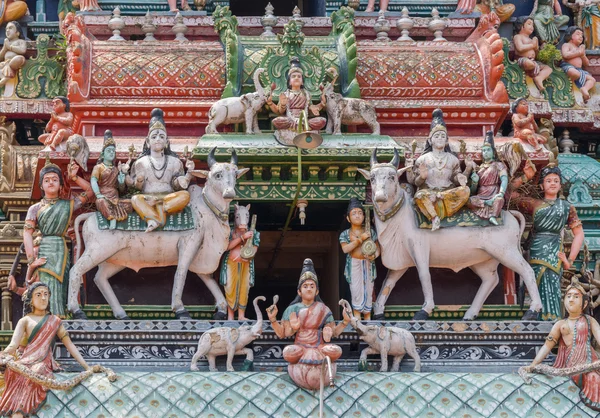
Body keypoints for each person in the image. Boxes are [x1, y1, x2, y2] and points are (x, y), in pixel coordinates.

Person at [0, 282, 91, 417]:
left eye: (46, 294)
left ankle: (21, 409)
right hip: (24, 361)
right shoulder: (25, 321)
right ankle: (13, 408)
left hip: (42, 362)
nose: (43, 298)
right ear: (31, 299)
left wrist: (87, 366)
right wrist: (3, 355)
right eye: (38, 295)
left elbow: (69, 345)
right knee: (15, 371)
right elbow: (13, 345)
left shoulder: (55, 321)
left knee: (37, 370)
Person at [512, 164, 585, 320]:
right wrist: (525, 177)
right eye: (548, 180)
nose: (552, 183)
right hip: (536, 250)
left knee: (553, 285)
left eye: (556, 181)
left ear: (560, 185)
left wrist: (569, 260)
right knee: (534, 282)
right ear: (541, 185)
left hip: (555, 252)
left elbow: (579, 234)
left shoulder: (567, 207)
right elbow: (509, 193)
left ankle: (554, 322)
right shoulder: (534, 204)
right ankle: (537, 319)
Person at [23, 157, 92, 317]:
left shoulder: (67, 204)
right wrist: (32, 260)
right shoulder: (35, 208)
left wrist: (74, 177)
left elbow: (90, 192)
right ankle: (46, 320)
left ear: (61, 184)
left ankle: (60, 320)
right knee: (46, 286)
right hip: (45, 250)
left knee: (62, 285)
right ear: (41, 185)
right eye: (47, 180)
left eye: (55, 179)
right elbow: (27, 233)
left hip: (62, 250)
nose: (51, 182)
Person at [266, 259, 349, 389]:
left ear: (317, 291)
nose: (309, 289)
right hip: (300, 347)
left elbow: (334, 332)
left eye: (312, 286)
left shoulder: (323, 309)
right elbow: (282, 333)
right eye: (305, 286)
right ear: (299, 291)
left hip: (319, 346)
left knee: (336, 350)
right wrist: (274, 320)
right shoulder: (292, 309)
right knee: (288, 351)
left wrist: (344, 322)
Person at [524, 281, 600, 411]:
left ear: (585, 303)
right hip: (573, 364)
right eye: (568, 296)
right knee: (594, 378)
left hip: (590, 359)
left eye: (576, 296)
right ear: (563, 301)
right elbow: (547, 346)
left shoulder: (589, 320)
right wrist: (533, 364)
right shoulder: (560, 324)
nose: (571, 299)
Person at [120, 108, 195, 232]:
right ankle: (154, 219)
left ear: (166, 142)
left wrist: (189, 173)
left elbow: (178, 185)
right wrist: (138, 180)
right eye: (154, 137)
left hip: (167, 199)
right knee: (135, 199)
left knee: (185, 195)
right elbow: (135, 188)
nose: (158, 139)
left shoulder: (174, 161)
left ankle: (158, 210)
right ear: (148, 142)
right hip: (148, 198)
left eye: (161, 136)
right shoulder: (141, 162)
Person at [406, 109, 470, 232]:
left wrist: (461, 177)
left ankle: (440, 197)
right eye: (436, 136)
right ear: (430, 140)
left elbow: (456, 178)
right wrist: (422, 177)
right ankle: (434, 217)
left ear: (446, 140)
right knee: (419, 196)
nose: (440, 138)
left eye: (442, 136)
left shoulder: (453, 159)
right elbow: (414, 182)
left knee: (465, 191)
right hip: (429, 197)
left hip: (447, 196)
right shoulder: (423, 159)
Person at [339, 198, 380, 320]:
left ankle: (368, 318)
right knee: (356, 291)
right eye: (354, 213)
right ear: (348, 218)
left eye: (360, 213)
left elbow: (377, 248)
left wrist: (374, 255)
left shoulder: (370, 232)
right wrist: (360, 239)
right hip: (354, 264)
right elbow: (345, 249)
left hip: (368, 263)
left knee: (368, 289)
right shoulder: (345, 234)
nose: (357, 216)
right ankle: (356, 318)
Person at [268, 57, 326, 141]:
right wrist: (272, 103)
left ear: (302, 81)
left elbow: (312, 109)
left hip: (304, 121)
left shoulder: (306, 94)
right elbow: (279, 111)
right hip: (290, 120)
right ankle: (300, 128)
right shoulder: (285, 94)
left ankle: (303, 127)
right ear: (289, 81)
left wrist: (321, 104)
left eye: (299, 76)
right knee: (277, 121)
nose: (296, 78)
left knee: (322, 121)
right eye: (293, 76)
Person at [219, 204, 260, 320]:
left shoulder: (253, 232)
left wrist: (250, 255)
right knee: (230, 288)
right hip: (231, 263)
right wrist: (242, 238)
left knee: (244, 289)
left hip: (246, 264)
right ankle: (231, 316)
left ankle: (241, 315)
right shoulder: (230, 231)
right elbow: (227, 247)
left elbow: (255, 246)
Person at [91, 130, 132, 230]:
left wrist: (122, 182)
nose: (111, 153)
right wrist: (97, 194)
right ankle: (112, 217)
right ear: (103, 154)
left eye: (113, 151)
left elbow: (121, 190)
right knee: (101, 202)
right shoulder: (99, 167)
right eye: (108, 151)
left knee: (131, 203)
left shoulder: (116, 169)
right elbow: (93, 180)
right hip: (104, 195)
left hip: (115, 197)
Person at [467, 131, 508, 226]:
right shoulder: (479, 168)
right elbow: (473, 190)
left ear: (493, 152)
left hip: (493, 192)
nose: (485, 152)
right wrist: (474, 182)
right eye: (484, 150)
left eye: (488, 150)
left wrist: (501, 193)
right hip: (481, 195)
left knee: (499, 200)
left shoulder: (498, 165)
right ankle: (486, 203)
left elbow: (504, 179)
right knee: (469, 200)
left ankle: (493, 216)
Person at [513, 16, 553, 95]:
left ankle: (539, 78)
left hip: (533, 61)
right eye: (529, 24)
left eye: (533, 25)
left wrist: (537, 48)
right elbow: (520, 48)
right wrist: (533, 45)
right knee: (529, 64)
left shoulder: (532, 40)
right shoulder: (518, 37)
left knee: (548, 69)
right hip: (522, 59)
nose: (532, 27)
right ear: (521, 26)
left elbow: (536, 54)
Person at [561, 26, 596, 102]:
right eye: (578, 34)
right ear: (570, 36)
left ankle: (584, 89)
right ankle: (575, 85)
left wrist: (582, 55)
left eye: (582, 35)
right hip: (568, 67)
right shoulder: (567, 45)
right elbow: (565, 55)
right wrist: (578, 53)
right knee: (574, 73)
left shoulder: (580, 49)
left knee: (592, 80)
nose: (581, 36)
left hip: (580, 70)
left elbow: (587, 64)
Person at [0, 21, 26, 89]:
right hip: (5, 63)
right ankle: (3, 80)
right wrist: (5, 48)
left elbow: (23, 50)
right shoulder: (7, 43)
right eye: (6, 29)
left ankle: (4, 79)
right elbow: (1, 57)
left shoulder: (21, 41)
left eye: (10, 28)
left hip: (13, 63)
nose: (7, 30)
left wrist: (10, 47)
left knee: (19, 58)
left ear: (17, 33)